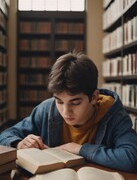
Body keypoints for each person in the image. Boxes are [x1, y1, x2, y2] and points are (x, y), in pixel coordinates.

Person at [0, 51, 137, 173]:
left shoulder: (114, 114)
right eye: (59, 101)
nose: (66, 112)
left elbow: (132, 158)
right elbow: (5, 136)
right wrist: (19, 143)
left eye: (75, 102)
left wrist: (80, 149)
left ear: (94, 97)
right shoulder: (46, 109)